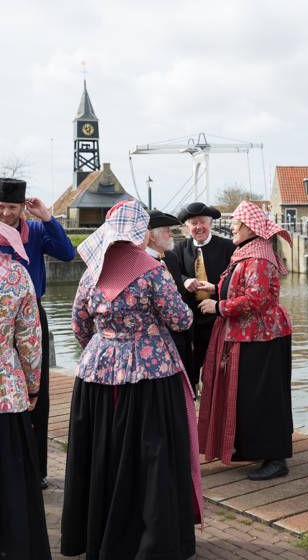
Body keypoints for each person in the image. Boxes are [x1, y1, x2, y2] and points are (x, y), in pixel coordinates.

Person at [61, 200, 202, 560]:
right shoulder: (153, 271)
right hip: (149, 375)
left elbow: (79, 324)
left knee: (103, 453)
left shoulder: (92, 271)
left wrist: (106, 346)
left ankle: (102, 534)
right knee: (151, 457)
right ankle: (152, 539)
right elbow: (181, 320)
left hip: (97, 373)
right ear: (140, 231)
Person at [197, 201, 293, 480]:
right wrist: (215, 288)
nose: (231, 228)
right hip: (249, 335)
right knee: (247, 396)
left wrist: (218, 307)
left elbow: (256, 299)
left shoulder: (259, 256)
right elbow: (242, 287)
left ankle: (275, 458)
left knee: (263, 397)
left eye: (235, 224)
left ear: (250, 227)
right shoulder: (248, 251)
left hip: (263, 337)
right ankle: (252, 447)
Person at [0, 177, 75, 489]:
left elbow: (68, 254)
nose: (6, 213)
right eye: (1, 207)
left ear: (22, 207)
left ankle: (36, 470)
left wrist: (47, 217)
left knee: (37, 394)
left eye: (12, 207)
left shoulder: (37, 231)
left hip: (32, 318)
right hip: (2, 322)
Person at [0, 221, 51, 560]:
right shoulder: (17, 276)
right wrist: (33, 388)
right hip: (6, 391)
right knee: (11, 481)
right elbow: (30, 342)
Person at [175, 202, 235, 387]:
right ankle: (192, 397)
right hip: (191, 319)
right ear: (187, 227)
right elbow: (172, 275)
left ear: (210, 224)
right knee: (190, 365)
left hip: (218, 315)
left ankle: (215, 397)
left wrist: (216, 288)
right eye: (194, 223)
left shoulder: (228, 247)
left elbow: (235, 279)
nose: (198, 227)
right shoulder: (179, 249)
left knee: (219, 367)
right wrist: (185, 281)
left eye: (202, 222)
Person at [147, 209, 195, 389]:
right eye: (167, 230)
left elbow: (181, 295)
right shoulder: (142, 262)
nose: (171, 234)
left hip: (180, 337)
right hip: (157, 342)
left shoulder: (171, 258)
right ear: (152, 236)